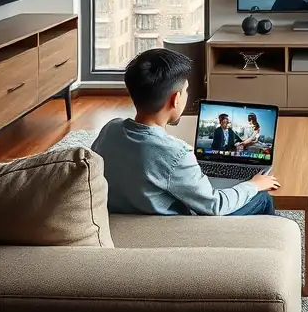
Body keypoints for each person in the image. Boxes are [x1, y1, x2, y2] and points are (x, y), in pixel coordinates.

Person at [92, 49, 279, 216]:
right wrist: (254, 184)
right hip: (176, 232)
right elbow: (216, 205)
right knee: (262, 198)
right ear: (176, 98)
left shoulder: (110, 130)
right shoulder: (177, 154)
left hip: (126, 220)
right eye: (186, 90)